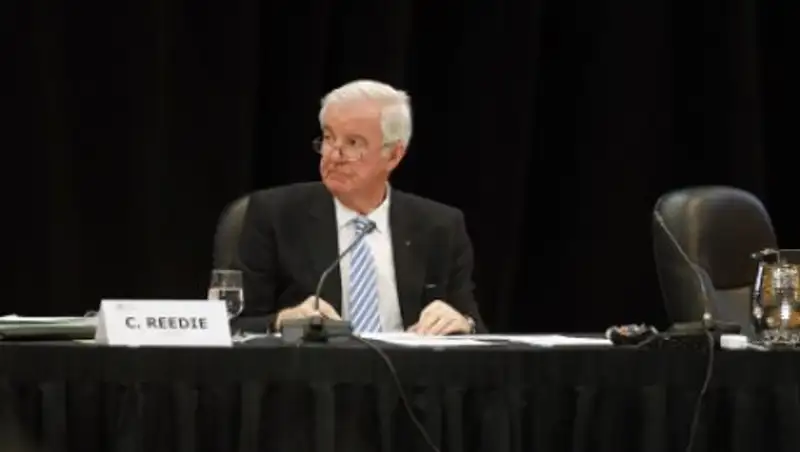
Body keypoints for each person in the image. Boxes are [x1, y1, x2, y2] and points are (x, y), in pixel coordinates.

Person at [236, 79, 485, 335]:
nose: (334, 156)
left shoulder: (440, 226)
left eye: (353, 143)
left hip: (405, 361)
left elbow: (475, 328)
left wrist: (464, 323)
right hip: (315, 361)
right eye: (329, 138)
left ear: (394, 155)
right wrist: (281, 320)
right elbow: (234, 325)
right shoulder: (276, 215)